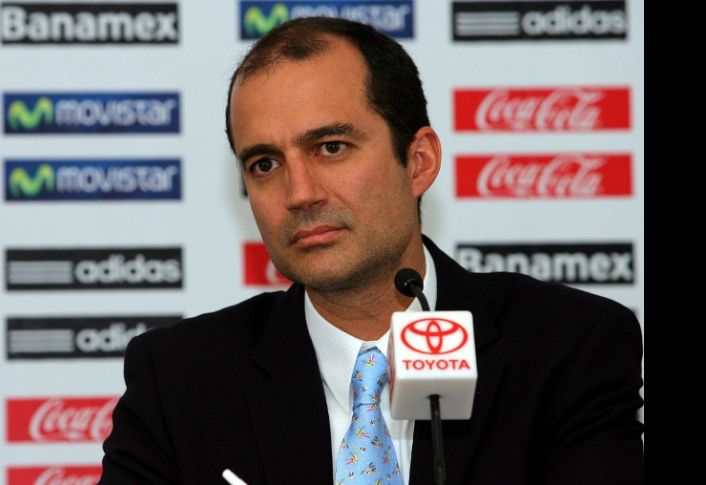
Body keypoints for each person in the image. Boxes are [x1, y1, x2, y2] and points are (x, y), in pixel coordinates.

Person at [99, 17, 643, 485]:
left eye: (331, 147)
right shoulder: (179, 379)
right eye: (265, 164)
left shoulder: (569, 348)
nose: (299, 193)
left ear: (419, 161)